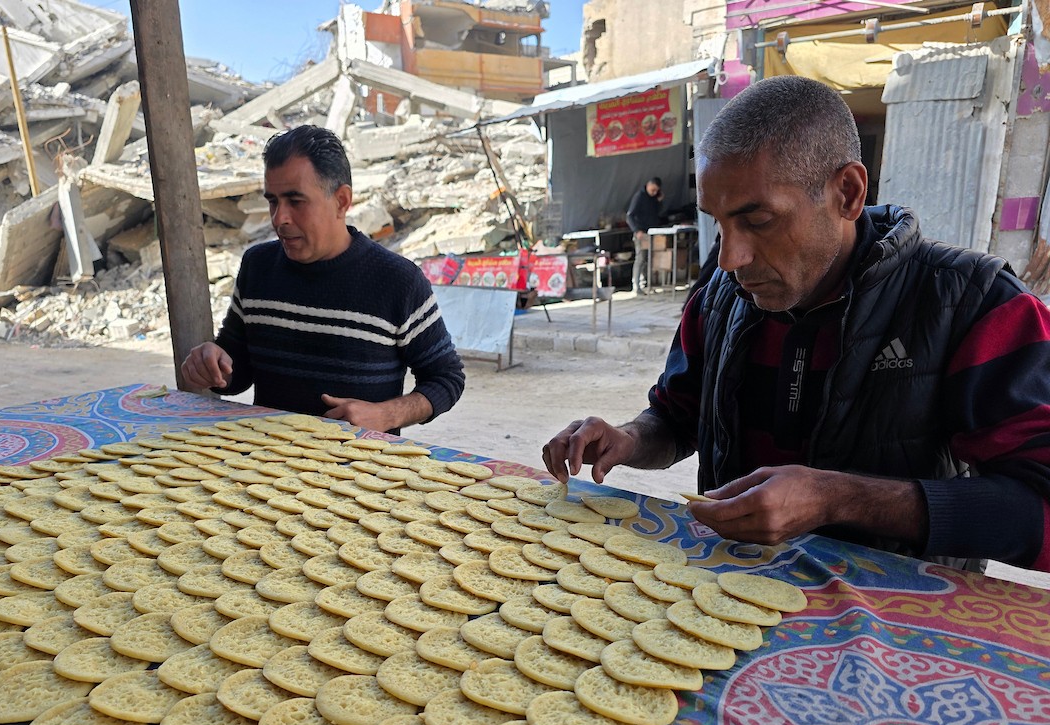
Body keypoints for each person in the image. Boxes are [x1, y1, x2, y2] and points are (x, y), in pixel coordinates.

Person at [544, 75, 1050, 572]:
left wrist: (835, 497)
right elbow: (679, 416)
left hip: (899, 632)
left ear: (848, 193)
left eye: (758, 221)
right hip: (728, 601)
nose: (730, 257)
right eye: (717, 223)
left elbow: (1041, 509)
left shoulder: (973, 307)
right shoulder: (720, 298)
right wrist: (629, 438)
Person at [181, 125, 465, 433]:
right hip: (265, 468)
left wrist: (387, 415)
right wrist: (213, 364)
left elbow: (446, 377)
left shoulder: (398, 281)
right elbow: (237, 371)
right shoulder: (258, 266)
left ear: (342, 201)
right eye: (273, 201)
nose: (279, 218)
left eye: (296, 201)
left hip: (360, 472)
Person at [627, 177, 665, 294]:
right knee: (640, 258)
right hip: (641, 233)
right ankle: (636, 285)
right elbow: (629, 216)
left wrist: (659, 201)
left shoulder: (653, 198)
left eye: (656, 191)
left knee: (649, 259)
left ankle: (647, 284)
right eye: (653, 190)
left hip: (652, 231)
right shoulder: (639, 196)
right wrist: (636, 230)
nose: (654, 193)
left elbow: (657, 212)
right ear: (648, 185)